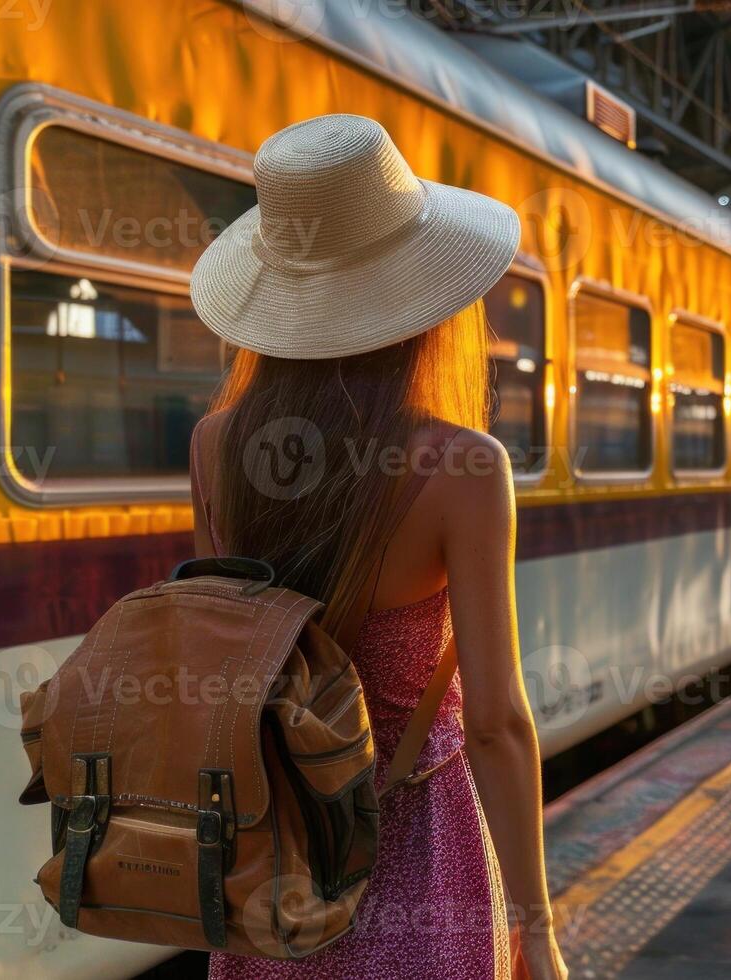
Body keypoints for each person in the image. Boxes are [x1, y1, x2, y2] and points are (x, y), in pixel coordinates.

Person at [186, 114, 566, 980]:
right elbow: (497, 723)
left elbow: (224, 654)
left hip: (271, 867)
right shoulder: (462, 468)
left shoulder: (214, 445)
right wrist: (534, 927)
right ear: (420, 299)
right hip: (419, 858)